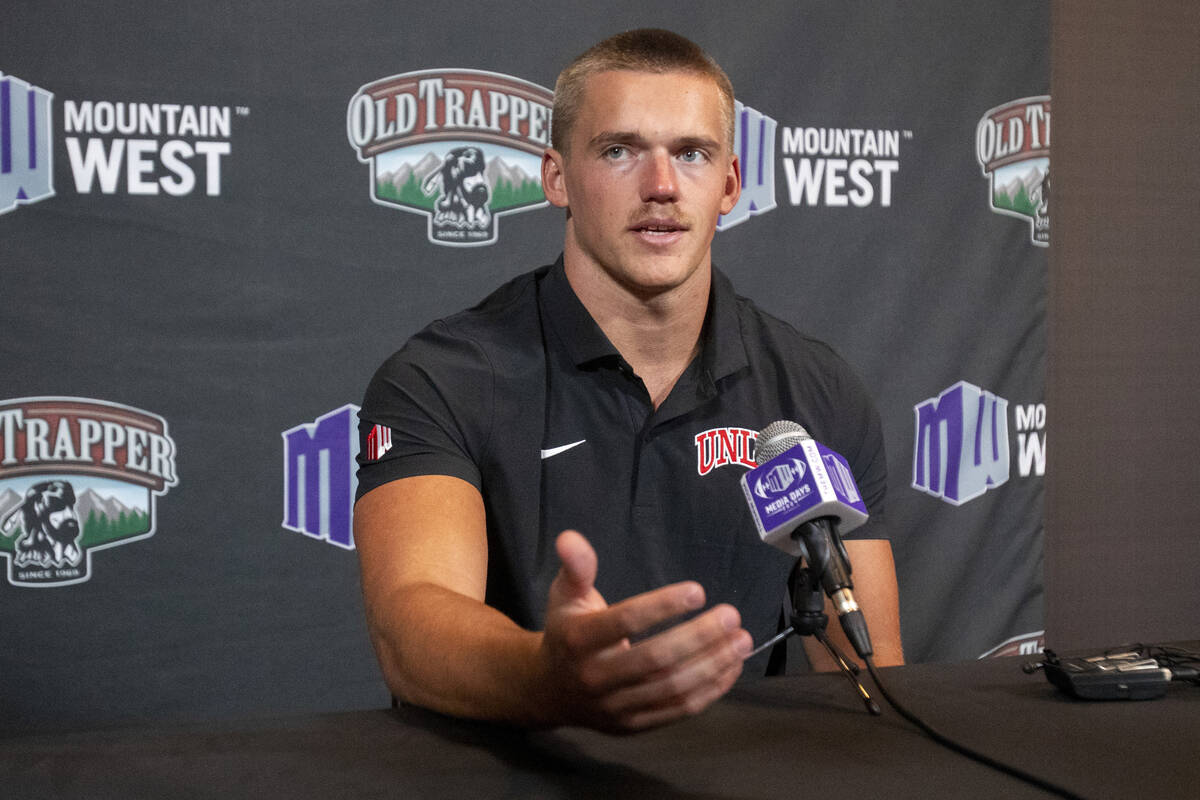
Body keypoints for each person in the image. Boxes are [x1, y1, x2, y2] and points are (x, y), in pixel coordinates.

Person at [353, 28, 903, 734]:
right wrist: (546, 676)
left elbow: (869, 667)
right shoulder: (441, 378)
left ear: (730, 183)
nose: (662, 186)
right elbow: (410, 626)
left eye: (691, 154)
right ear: (556, 178)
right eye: (619, 151)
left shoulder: (816, 391)